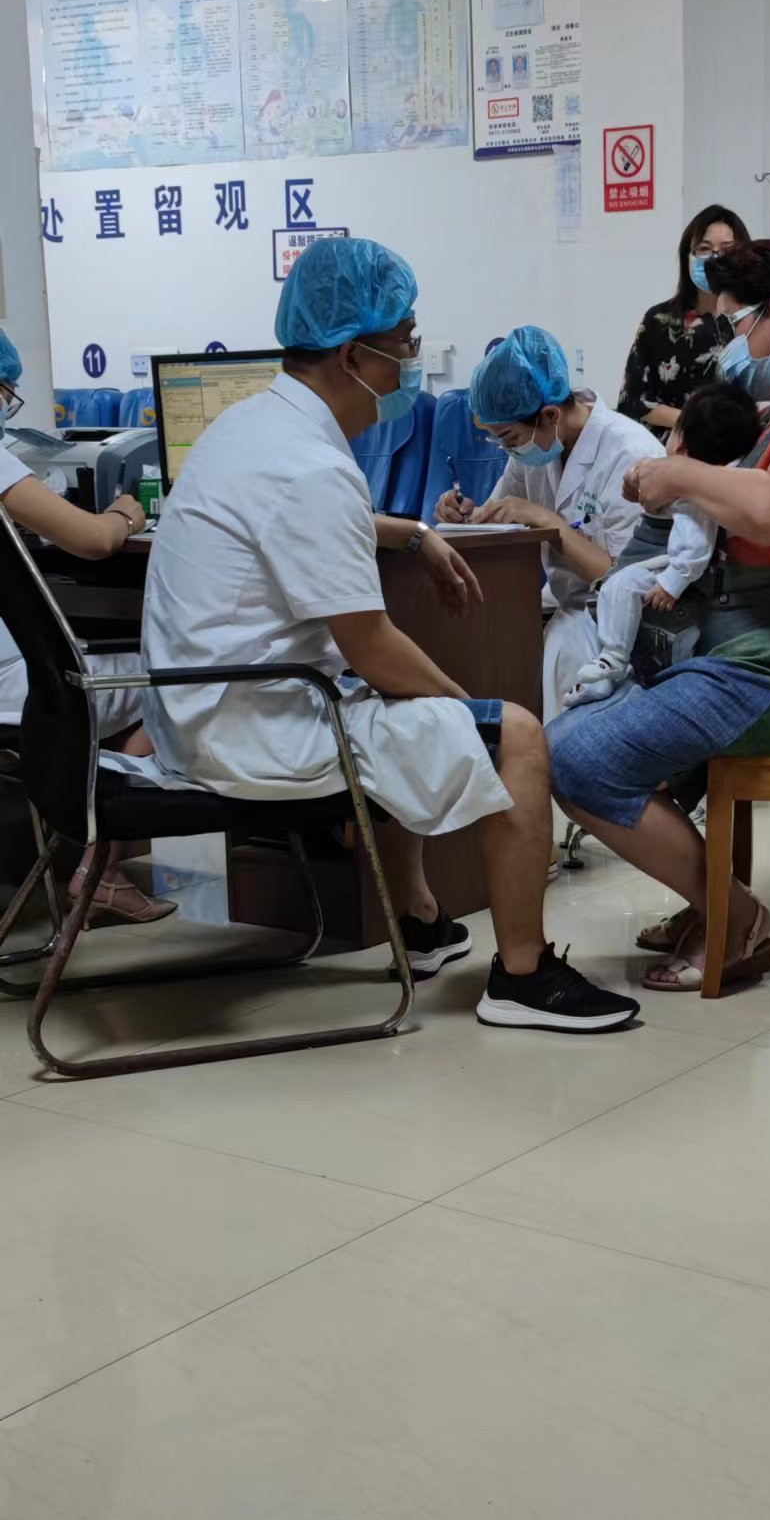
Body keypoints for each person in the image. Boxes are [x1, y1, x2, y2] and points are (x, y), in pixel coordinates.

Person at [139, 239, 637, 1033]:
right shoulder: (310, 463)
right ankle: (522, 975)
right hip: (252, 730)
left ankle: (419, 919)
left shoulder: (250, 428)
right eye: (404, 342)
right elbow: (369, 644)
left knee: (394, 703)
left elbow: (306, 520)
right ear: (353, 356)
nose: (411, 359)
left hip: (201, 709)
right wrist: (466, 712)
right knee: (513, 736)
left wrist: (410, 531)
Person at [548, 241, 770, 995]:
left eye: (737, 325)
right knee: (569, 738)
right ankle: (710, 899)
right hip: (742, 652)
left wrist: (679, 471)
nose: (732, 346)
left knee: (577, 759)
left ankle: (734, 914)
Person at [0, 331, 172, 927]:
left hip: (14, 682)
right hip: (16, 691)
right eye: (5, 391)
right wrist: (125, 513)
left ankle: (94, 859)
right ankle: (101, 870)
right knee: (173, 677)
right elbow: (94, 540)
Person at [442, 326, 653, 720]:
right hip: (564, 605)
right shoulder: (535, 447)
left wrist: (549, 524)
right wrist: (463, 514)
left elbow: (625, 581)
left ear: (551, 415)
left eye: (509, 438)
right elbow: (497, 514)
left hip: (616, 621)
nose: (508, 449)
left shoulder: (629, 454)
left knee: (563, 666)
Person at [566, 379, 761, 705]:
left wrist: (672, 583)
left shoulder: (691, 490)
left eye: (674, 429)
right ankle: (608, 663)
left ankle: (612, 660)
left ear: (681, 445)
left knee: (621, 587)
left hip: (672, 569)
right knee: (614, 591)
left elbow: (696, 543)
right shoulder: (698, 477)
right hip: (662, 559)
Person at [616, 203, 751, 433]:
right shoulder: (659, 320)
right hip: (673, 442)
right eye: (704, 249)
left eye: (727, 249)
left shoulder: (754, 320)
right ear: (687, 257)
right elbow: (634, 400)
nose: (715, 258)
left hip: (742, 444)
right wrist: (697, 423)